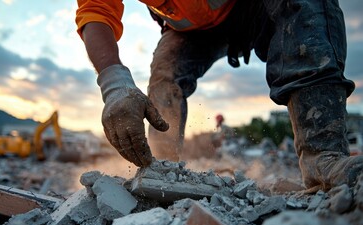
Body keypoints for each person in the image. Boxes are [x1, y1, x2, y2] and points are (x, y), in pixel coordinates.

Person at [76, 0, 363, 191]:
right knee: (165, 76)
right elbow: (96, 13)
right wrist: (115, 86)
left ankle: (323, 158)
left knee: (304, 9)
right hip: (191, 28)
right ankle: (161, 171)